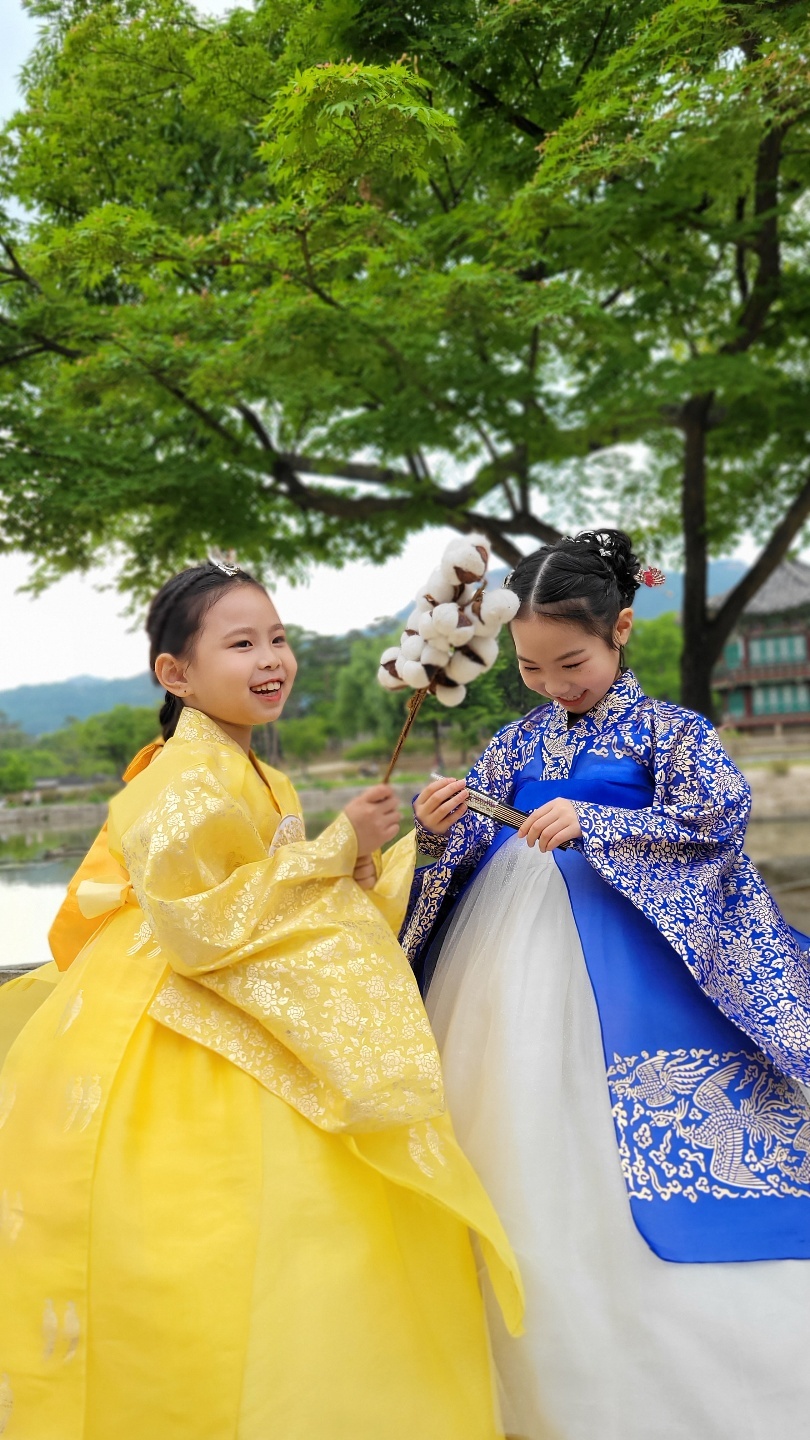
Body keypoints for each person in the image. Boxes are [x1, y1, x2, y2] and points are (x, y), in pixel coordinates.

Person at [0, 561, 522, 1440]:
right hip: (174, 1015)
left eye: (277, 638)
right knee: (209, 1236)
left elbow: (294, 909)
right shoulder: (180, 775)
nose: (271, 658)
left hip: (234, 993)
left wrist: (393, 847)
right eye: (241, 643)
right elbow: (195, 924)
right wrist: (334, 848)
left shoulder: (260, 773)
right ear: (176, 673)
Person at [405, 529, 810, 1440]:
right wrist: (438, 828)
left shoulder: (673, 732)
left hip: (632, 962)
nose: (553, 684)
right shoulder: (513, 741)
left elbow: (717, 820)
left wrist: (600, 823)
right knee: (506, 1123)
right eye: (530, 667)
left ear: (620, 630)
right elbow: (472, 843)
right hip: (503, 966)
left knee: (617, 1142)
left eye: (572, 662)